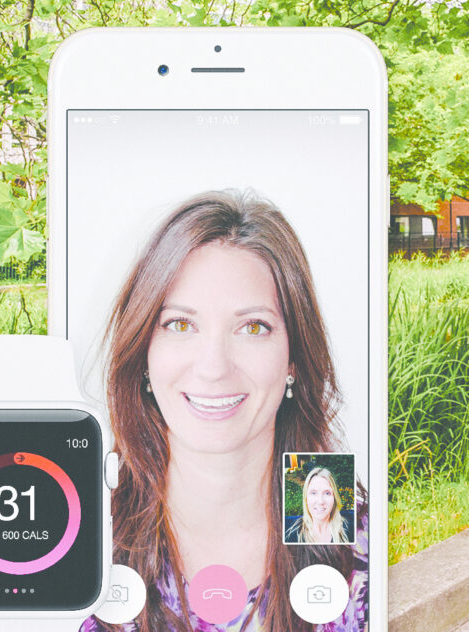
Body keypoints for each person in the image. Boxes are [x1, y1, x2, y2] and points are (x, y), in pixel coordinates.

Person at [82, 190, 367, 632]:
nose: (214, 367)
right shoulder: (81, 529)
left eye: (253, 327)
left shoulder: (343, 519)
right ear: (143, 353)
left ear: (294, 357)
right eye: (180, 324)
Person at [286, 466, 351, 544]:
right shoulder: (290, 534)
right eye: (313, 493)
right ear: (306, 498)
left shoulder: (350, 529)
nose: (320, 501)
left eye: (327, 493)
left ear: (334, 497)